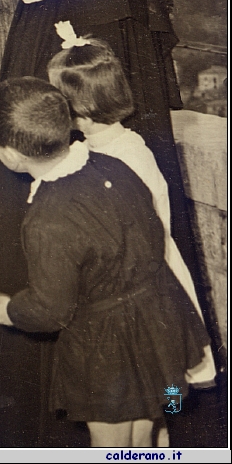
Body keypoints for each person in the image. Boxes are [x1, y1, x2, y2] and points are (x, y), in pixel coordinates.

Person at [0, 0, 212, 447]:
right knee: (145, 379)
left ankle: (160, 427)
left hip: (81, 170)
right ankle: (90, 431)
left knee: (141, 384)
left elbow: (108, 82)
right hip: (43, 156)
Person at [0, 78, 210, 448]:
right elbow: (152, 237)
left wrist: (11, 309)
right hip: (156, 322)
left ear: (9, 153)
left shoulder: (46, 217)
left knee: (110, 445)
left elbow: (50, 309)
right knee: (144, 431)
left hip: (103, 349)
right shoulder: (113, 166)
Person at [47, 30, 215, 384]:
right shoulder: (97, 149)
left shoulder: (126, 157)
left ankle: (168, 428)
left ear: (81, 113)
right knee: (142, 377)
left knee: (168, 375)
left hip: (146, 281)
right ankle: (156, 428)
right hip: (124, 281)